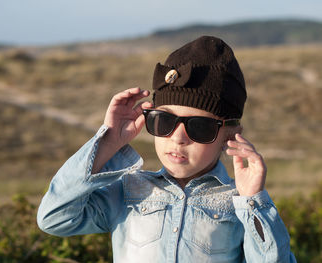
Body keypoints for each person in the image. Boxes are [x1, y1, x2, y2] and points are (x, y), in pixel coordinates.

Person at [37, 36, 296, 262]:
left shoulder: (240, 202)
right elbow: (54, 217)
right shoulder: (127, 192)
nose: (178, 138)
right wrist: (108, 142)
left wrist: (253, 202)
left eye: (200, 127)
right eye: (165, 121)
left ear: (231, 134)